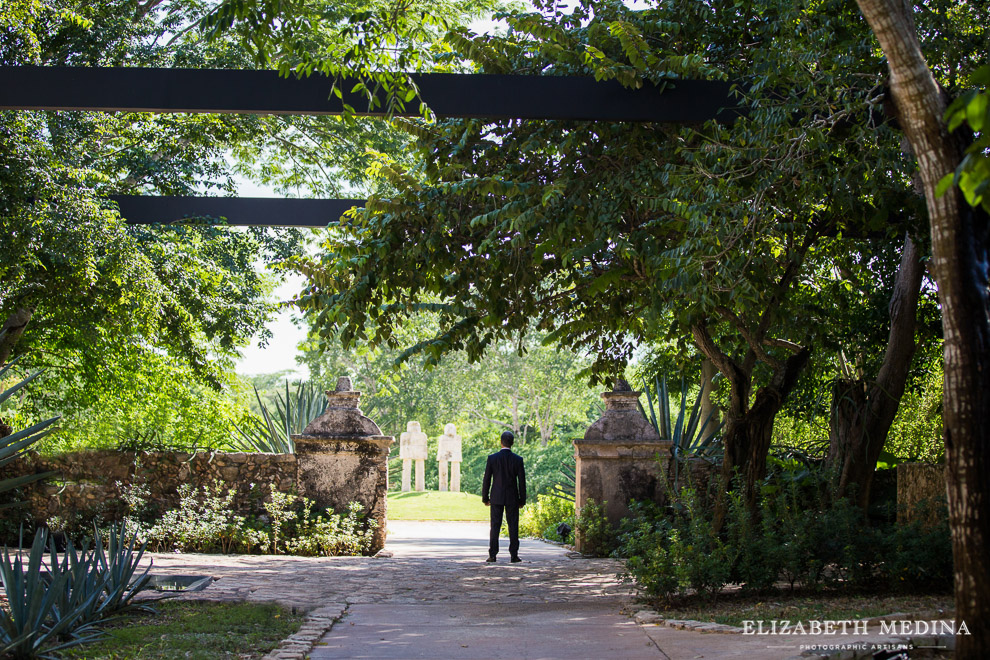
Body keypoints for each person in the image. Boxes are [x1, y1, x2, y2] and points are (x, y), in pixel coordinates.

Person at [481, 430, 527, 563]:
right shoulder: (518, 460)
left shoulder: (492, 458)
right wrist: (522, 500)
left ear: (501, 442)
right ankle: (514, 555)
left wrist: (485, 497)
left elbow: (487, 480)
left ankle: (493, 554)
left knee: (495, 526)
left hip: (496, 496)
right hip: (512, 497)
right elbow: (522, 482)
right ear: (512, 443)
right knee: (513, 525)